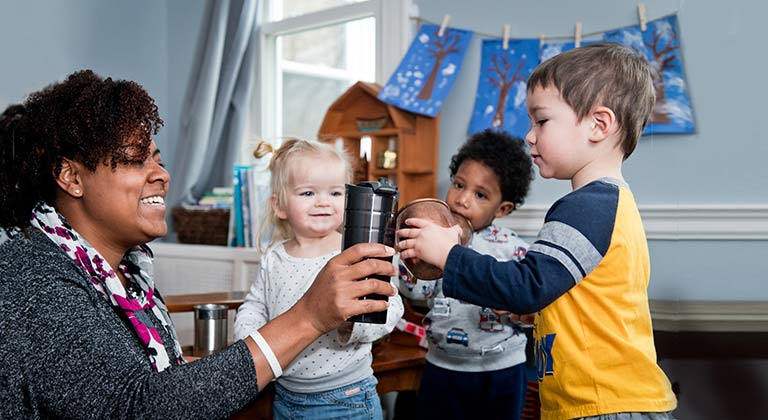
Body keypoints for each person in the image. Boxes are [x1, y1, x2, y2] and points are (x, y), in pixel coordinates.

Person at [0, 70, 398, 419]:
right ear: (71, 177)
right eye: (138, 160)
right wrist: (308, 318)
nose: (162, 175)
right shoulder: (33, 281)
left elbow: (147, 375)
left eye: (159, 160)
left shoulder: (125, 274)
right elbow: (139, 407)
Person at [396, 43, 677, 420]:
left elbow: (528, 286)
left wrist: (449, 254)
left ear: (599, 124)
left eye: (541, 121)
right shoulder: (608, 204)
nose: (529, 136)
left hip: (606, 406)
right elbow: (573, 296)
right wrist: (528, 312)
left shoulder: (587, 206)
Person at [234, 138, 404, 420]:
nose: (323, 202)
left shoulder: (354, 253)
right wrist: (248, 345)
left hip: (346, 398)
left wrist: (353, 326)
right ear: (279, 206)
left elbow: (391, 307)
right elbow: (255, 306)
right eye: (308, 193)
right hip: (285, 396)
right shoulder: (274, 258)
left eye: (336, 193)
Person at [395, 129, 534, 420]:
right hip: (441, 366)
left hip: (501, 369)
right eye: (459, 185)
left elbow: (526, 304)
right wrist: (407, 257)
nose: (462, 200)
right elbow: (416, 292)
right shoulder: (434, 236)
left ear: (503, 208)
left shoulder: (515, 250)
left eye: (480, 194)